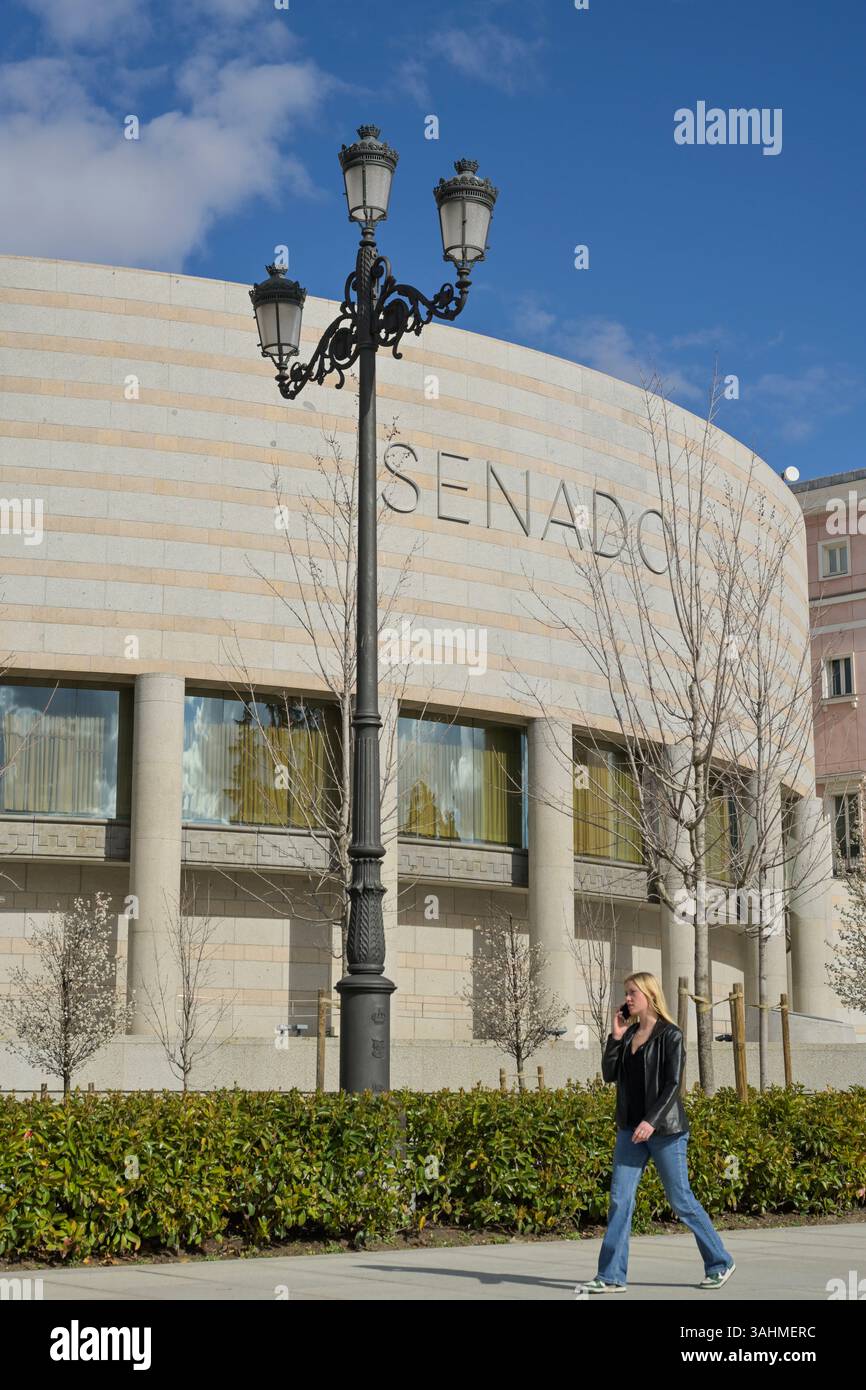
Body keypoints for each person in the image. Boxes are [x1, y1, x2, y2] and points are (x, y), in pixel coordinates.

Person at [582, 971, 736, 1293]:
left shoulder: (671, 1035)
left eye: (632, 993)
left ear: (649, 995)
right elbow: (610, 1075)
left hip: (665, 1130)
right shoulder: (626, 1036)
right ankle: (610, 1276)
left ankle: (720, 1261)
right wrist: (614, 1035)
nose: (627, 999)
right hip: (629, 1131)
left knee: (680, 1200)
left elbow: (672, 1085)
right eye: (626, 993)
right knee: (620, 1200)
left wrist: (651, 1120)